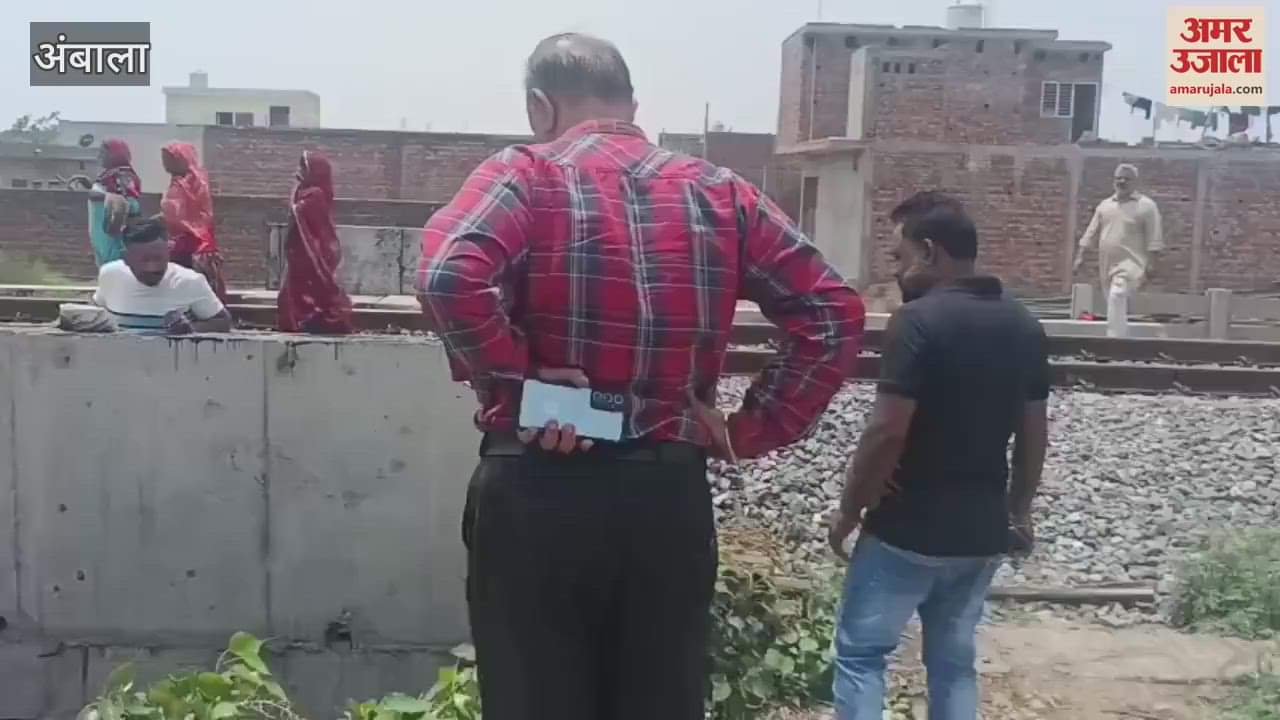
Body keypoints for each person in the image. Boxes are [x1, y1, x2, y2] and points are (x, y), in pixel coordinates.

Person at [416, 33, 865, 720]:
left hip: (537, 487)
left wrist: (524, 379)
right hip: (665, 497)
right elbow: (833, 313)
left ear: (541, 107)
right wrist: (750, 427)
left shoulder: (525, 174)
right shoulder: (721, 192)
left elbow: (449, 276)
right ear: (632, 105)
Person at [826, 192, 1049, 720]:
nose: (895, 268)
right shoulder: (1023, 324)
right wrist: (1018, 510)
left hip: (907, 531)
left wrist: (850, 510)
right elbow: (1034, 433)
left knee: (862, 655)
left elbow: (886, 432)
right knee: (953, 664)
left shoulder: (916, 321)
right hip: (980, 534)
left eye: (900, 256)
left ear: (930, 253)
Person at [92, 215, 232, 334]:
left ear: (168, 252)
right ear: (126, 258)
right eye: (144, 260)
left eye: (158, 258)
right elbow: (95, 312)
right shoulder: (110, 275)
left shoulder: (190, 281)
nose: (152, 267)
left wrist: (191, 328)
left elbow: (223, 322)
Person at [1073, 163, 1164, 338]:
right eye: (1118, 178)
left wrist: (1152, 262)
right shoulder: (1105, 206)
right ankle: (1121, 335)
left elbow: (1154, 236)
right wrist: (1080, 256)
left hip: (1132, 263)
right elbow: (1091, 232)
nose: (1122, 182)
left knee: (1118, 294)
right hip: (1107, 264)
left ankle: (1115, 342)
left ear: (1135, 182)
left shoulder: (1146, 206)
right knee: (1113, 300)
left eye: (1126, 179)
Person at [277, 151, 355, 334]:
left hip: (310, 256)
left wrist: (296, 202)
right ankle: (297, 323)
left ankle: (310, 322)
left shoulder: (315, 195)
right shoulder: (308, 193)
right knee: (292, 294)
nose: (299, 172)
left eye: (303, 168)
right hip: (299, 257)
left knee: (311, 294)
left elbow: (313, 226)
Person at [160, 142, 228, 302]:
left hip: (193, 243)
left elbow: (183, 214)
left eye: (169, 158)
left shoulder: (191, 183)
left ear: (181, 159)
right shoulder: (181, 182)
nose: (165, 163)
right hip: (181, 242)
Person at [87, 139, 143, 267]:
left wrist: (115, 229)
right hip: (104, 239)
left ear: (115, 154)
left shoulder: (122, 177)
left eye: (103, 152)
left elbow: (124, 204)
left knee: (112, 271)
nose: (99, 156)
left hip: (112, 241)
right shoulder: (110, 176)